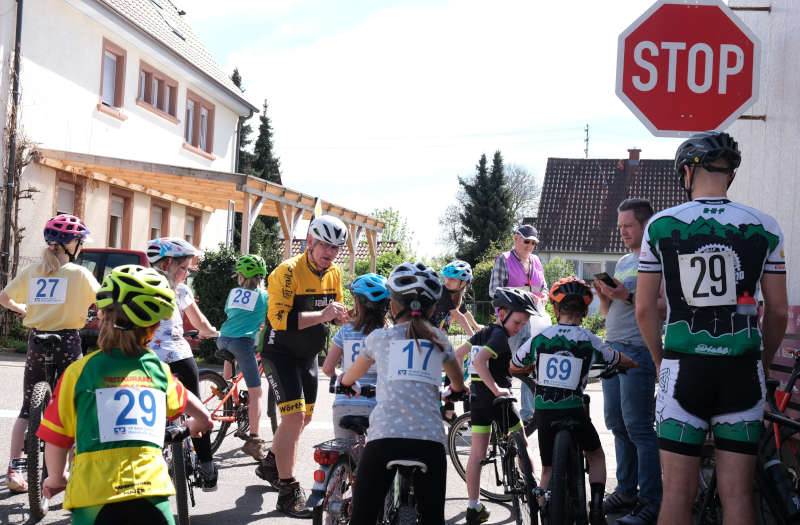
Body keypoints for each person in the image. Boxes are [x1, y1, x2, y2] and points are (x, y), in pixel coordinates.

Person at [636, 131, 788, 525]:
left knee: (677, 496)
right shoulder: (765, 225)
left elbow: (643, 310)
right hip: (742, 371)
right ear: (730, 175)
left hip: (682, 366)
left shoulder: (660, 225)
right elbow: (777, 313)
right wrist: (765, 363)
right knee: (737, 496)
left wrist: (659, 360)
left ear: (688, 171)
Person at [37, 264, 213, 525]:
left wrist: (56, 478)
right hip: (151, 493)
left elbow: (57, 436)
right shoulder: (156, 369)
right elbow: (191, 404)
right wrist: (200, 422)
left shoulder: (79, 372)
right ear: (154, 326)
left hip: (93, 497)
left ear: (102, 317)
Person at [338, 261, 468, 525]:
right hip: (429, 442)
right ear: (433, 308)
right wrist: (456, 390)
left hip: (384, 438)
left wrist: (345, 382)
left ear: (393, 306)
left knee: (362, 518)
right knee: (433, 519)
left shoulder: (379, 339)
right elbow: (457, 381)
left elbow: (351, 375)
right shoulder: (440, 341)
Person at [511, 277, 637, 525]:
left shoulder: (541, 336)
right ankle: (598, 506)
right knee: (596, 455)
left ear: (556, 309)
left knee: (547, 470)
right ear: (583, 311)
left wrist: (527, 370)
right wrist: (631, 363)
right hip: (574, 411)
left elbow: (515, 364)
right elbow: (614, 358)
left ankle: (544, 509)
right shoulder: (589, 338)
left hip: (545, 412)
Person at [256, 215, 350, 517]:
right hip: (278, 351)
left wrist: (338, 316)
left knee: (302, 420)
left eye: (336, 248)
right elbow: (280, 321)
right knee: (294, 419)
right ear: (310, 242)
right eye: (325, 245)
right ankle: (287, 490)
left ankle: (272, 461)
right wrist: (325, 315)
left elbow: (332, 309)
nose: (330, 253)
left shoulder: (333, 272)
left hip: (308, 354)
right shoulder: (286, 272)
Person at [0, 214, 99, 493]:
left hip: (36, 341)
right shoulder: (79, 274)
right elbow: (103, 302)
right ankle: (69, 470)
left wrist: (25, 310)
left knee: (26, 406)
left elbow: (4, 297)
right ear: (71, 245)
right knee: (72, 406)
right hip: (67, 341)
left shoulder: (34, 270)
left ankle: (15, 467)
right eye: (80, 242)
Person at [593, 198, 663, 524]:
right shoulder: (622, 261)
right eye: (620, 226)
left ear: (645, 225)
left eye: (628, 226)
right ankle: (625, 492)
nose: (622, 231)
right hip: (613, 348)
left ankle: (651, 503)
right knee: (617, 424)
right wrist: (606, 297)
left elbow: (663, 307)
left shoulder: (659, 257)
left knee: (639, 428)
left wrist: (628, 296)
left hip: (637, 350)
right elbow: (611, 312)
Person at [458, 287, 538, 525]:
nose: (519, 327)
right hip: (498, 400)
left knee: (477, 454)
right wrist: (497, 390)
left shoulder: (483, 332)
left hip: (477, 401)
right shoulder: (501, 337)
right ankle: (535, 493)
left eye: (524, 324)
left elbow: (457, 355)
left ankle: (473, 506)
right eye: (517, 322)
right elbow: (482, 360)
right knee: (521, 440)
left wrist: (459, 383)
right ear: (501, 313)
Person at [146, 237, 219, 491]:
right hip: (180, 357)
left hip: (149, 361)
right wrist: (213, 333)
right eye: (184, 268)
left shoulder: (142, 284)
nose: (187, 274)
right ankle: (207, 468)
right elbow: (200, 325)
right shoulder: (181, 290)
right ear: (167, 263)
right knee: (195, 409)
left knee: (151, 414)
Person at [489, 224, 550, 424]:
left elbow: (545, 287)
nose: (530, 246)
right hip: (512, 323)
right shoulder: (504, 259)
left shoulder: (536, 261)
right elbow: (494, 291)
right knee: (510, 368)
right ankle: (504, 412)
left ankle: (528, 415)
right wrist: (523, 296)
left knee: (530, 367)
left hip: (536, 321)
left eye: (533, 243)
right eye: (526, 241)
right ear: (516, 238)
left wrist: (544, 297)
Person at [321, 273, 390, 439]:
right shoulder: (389, 335)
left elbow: (328, 368)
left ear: (358, 304)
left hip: (345, 403)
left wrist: (343, 375)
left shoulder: (346, 331)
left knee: (344, 454)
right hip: (377, 405)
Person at [217, 254, 269, 460]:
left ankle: (227, 390)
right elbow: (269, 317)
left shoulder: (233, 293)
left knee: (231, 354)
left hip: (223, 339)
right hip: (243, 343)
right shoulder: (265, 297)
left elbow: (230, 312)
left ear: (240, 276)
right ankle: (254, 441)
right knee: (256, 393)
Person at [434, 259, 482, 421]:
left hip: (437, 337)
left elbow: (465, 312)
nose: (447, 282)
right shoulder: (443, 293)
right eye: (446, 278)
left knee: (450, 370)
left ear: (463, 283)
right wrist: (473, 335)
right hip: (430, 337)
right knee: (452, 368)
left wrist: (477, 327)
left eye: (452, 279)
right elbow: (458, 317)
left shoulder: (456, 296)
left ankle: (448, 410)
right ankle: (448, 411)